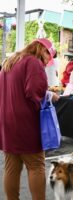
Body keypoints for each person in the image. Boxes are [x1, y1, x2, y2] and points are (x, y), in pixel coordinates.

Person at [0, 38, 59, 200]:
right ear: (43, 49)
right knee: (36, 166)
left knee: (11, 167)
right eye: (49, 55)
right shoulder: (33, 62)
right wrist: (50, 96)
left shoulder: (10, 61)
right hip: (26, 122)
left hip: (7, 121)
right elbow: (34, 92)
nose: (48, 60)